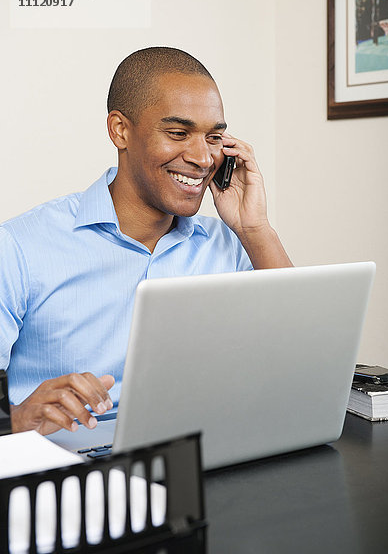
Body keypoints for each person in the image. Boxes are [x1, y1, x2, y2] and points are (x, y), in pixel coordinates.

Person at [0, 47, 292, 436]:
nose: (203, 158)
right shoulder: (19, 247)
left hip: (200, 454)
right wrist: (17, 421)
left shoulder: (228, 244)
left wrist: (256, 229)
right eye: (178, 133)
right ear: (120, 130)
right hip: (70, 469)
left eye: (214, 137)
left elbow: (299, 364)